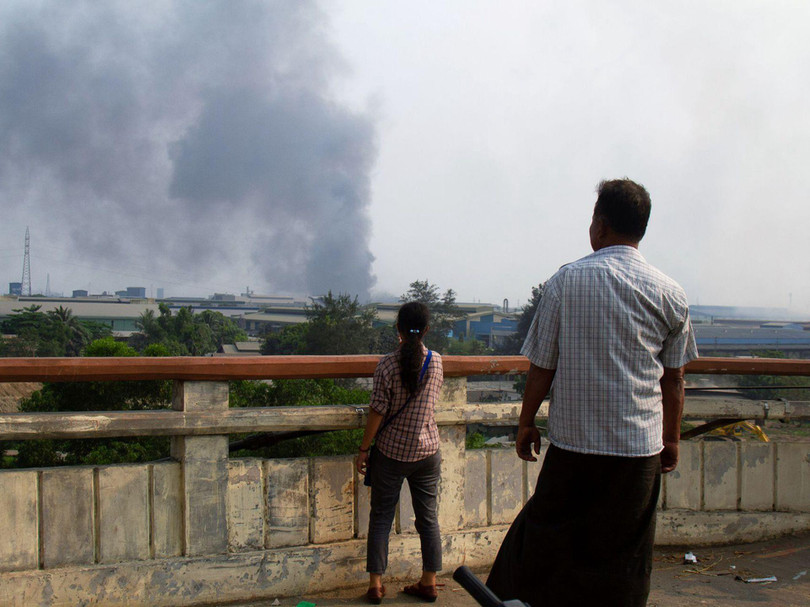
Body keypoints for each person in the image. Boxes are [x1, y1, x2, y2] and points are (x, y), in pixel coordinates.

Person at [486, 178, 698, 606]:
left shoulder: (567, 281)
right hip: (639, 453)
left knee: (543, 548)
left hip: (574, 450)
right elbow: (673, 380)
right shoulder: (671, 293)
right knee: (624, 558)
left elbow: (542, 365)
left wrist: (526, 423)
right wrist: (671, 440)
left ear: (599, 226)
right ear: (641, 228)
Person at [356, 301, 444, 604]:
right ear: (427, 330)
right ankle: (429, 582)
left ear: (398, 329)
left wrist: (364, 449)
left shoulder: (387, 364)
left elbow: (378, 411)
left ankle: (376, 586)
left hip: (392, 454)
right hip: (428, 451)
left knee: (381, 517)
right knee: (428, 519)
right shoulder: (436, 362)